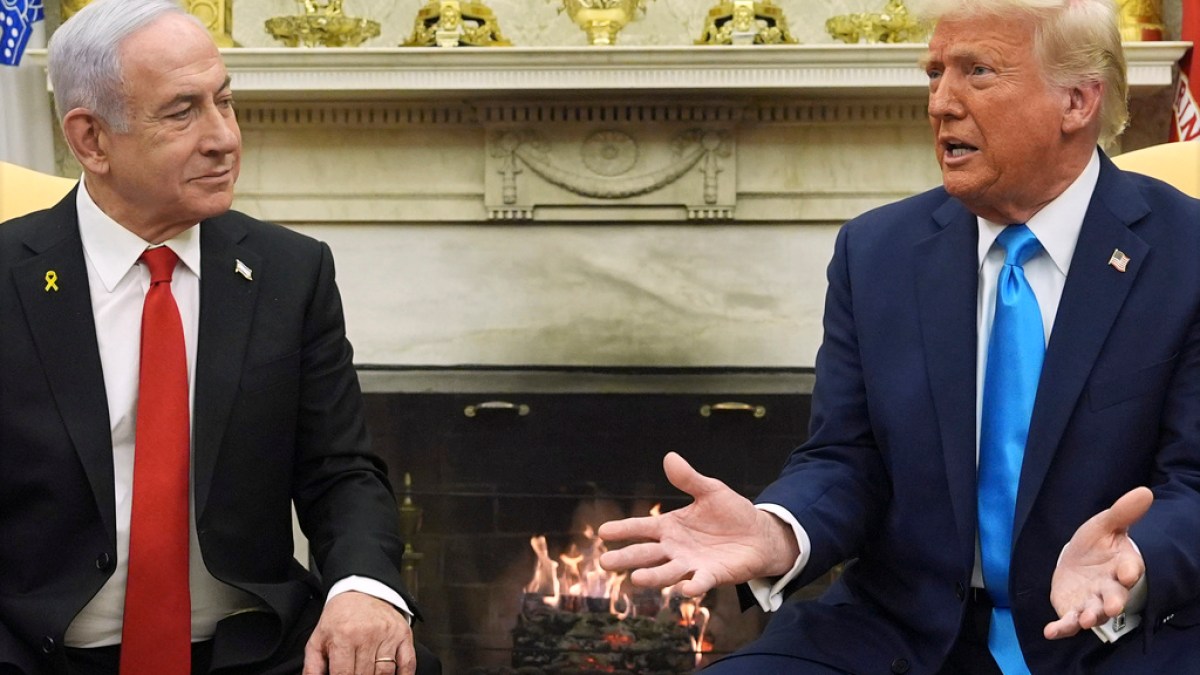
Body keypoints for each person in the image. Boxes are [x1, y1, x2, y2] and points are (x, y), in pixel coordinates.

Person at [599, 0, 1200, 673]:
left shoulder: (1188, 254)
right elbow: (846, 458)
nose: (941, 103)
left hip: (1120, 635)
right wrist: (779, 530)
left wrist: (1136, 559)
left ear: (1077, 101)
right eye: (934, 73)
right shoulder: (877, 251)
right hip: (901, 631)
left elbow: (1196, 481)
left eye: (977, 72)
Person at [0, 1, 439, 674]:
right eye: (183, 112)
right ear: (91, 140)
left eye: (225, 102)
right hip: (35, 651)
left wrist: (362, 589)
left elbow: (340, 472)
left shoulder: (291, 272)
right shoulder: (9, 277)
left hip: (250, 646)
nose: (224, 138)